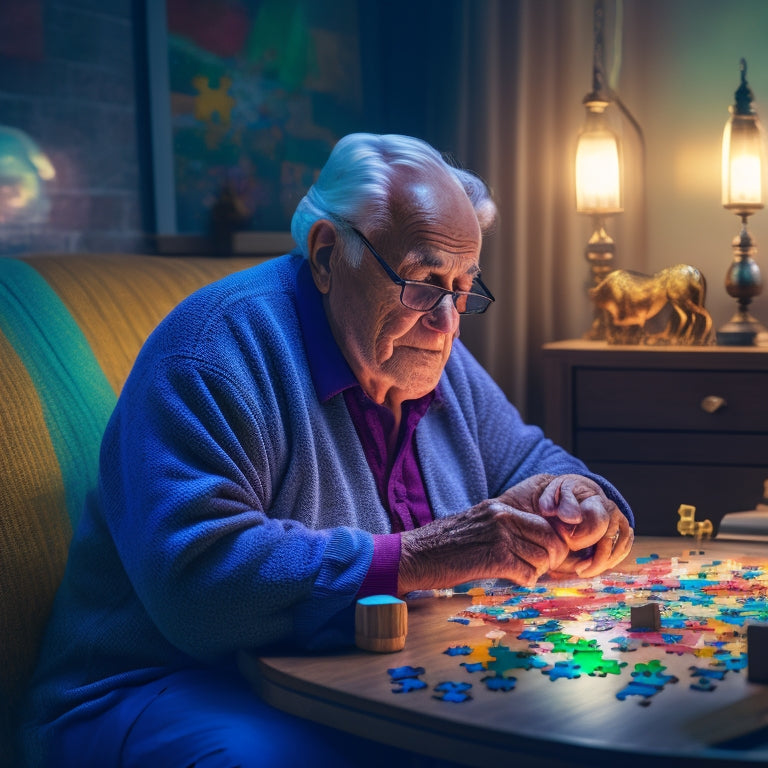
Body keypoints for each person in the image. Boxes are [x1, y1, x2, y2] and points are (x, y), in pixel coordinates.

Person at [21, 133, 633, 768]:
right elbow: (199, 586)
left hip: (356, 677)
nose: (448, 320)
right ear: (325, 255)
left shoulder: (429, 349)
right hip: (162, 681)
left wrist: (582, 501)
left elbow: (530, 461)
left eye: (463, 287)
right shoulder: (212, 354)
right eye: (423, 281)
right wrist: (425, 556)